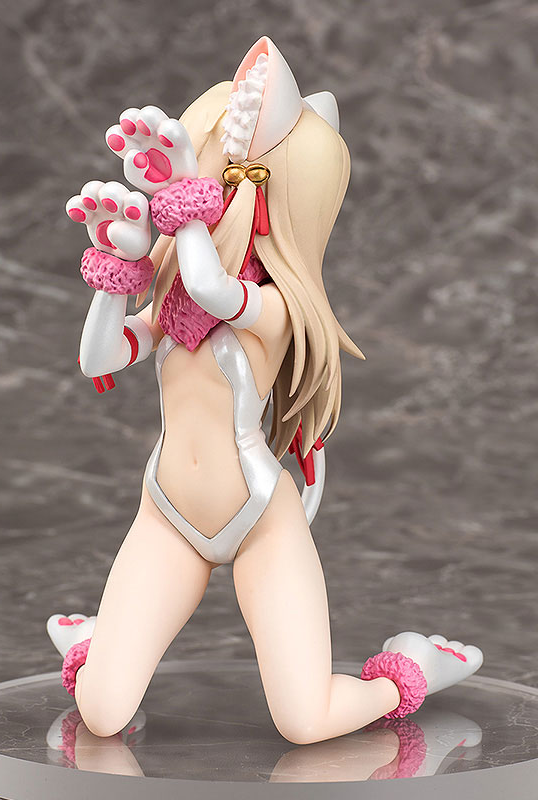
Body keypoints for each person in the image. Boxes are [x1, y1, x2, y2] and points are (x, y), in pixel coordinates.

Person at [49, 36, 483, 745]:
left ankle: (412, 667)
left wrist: (181, 200)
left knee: (305, 722)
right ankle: (101, 641)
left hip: (259, 520)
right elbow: (97, 355)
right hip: (167, 512)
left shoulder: (275, 307)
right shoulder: (171, 297)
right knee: (101, 714)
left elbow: (212, 289)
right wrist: (116, 271)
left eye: (211, 172)